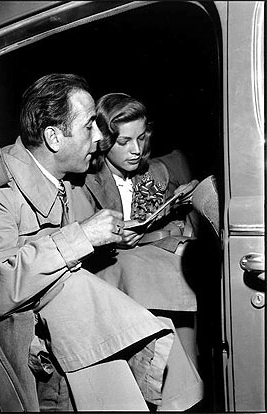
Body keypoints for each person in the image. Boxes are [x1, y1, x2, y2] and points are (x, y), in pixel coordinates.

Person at [0, 74, 203, 411]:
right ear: (54, 137)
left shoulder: (63, 178)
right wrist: (82, 235)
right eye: (88, 127)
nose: (100, 138)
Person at [81, 92, 200, 366]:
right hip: (109, 270)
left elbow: (176, 188)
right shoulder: (86, 181)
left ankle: (189, 369)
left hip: (151, 259)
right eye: (124, 142)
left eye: (142, 138)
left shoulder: (153, 171)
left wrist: (185, 195)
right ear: (104, 140)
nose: (136, 149)